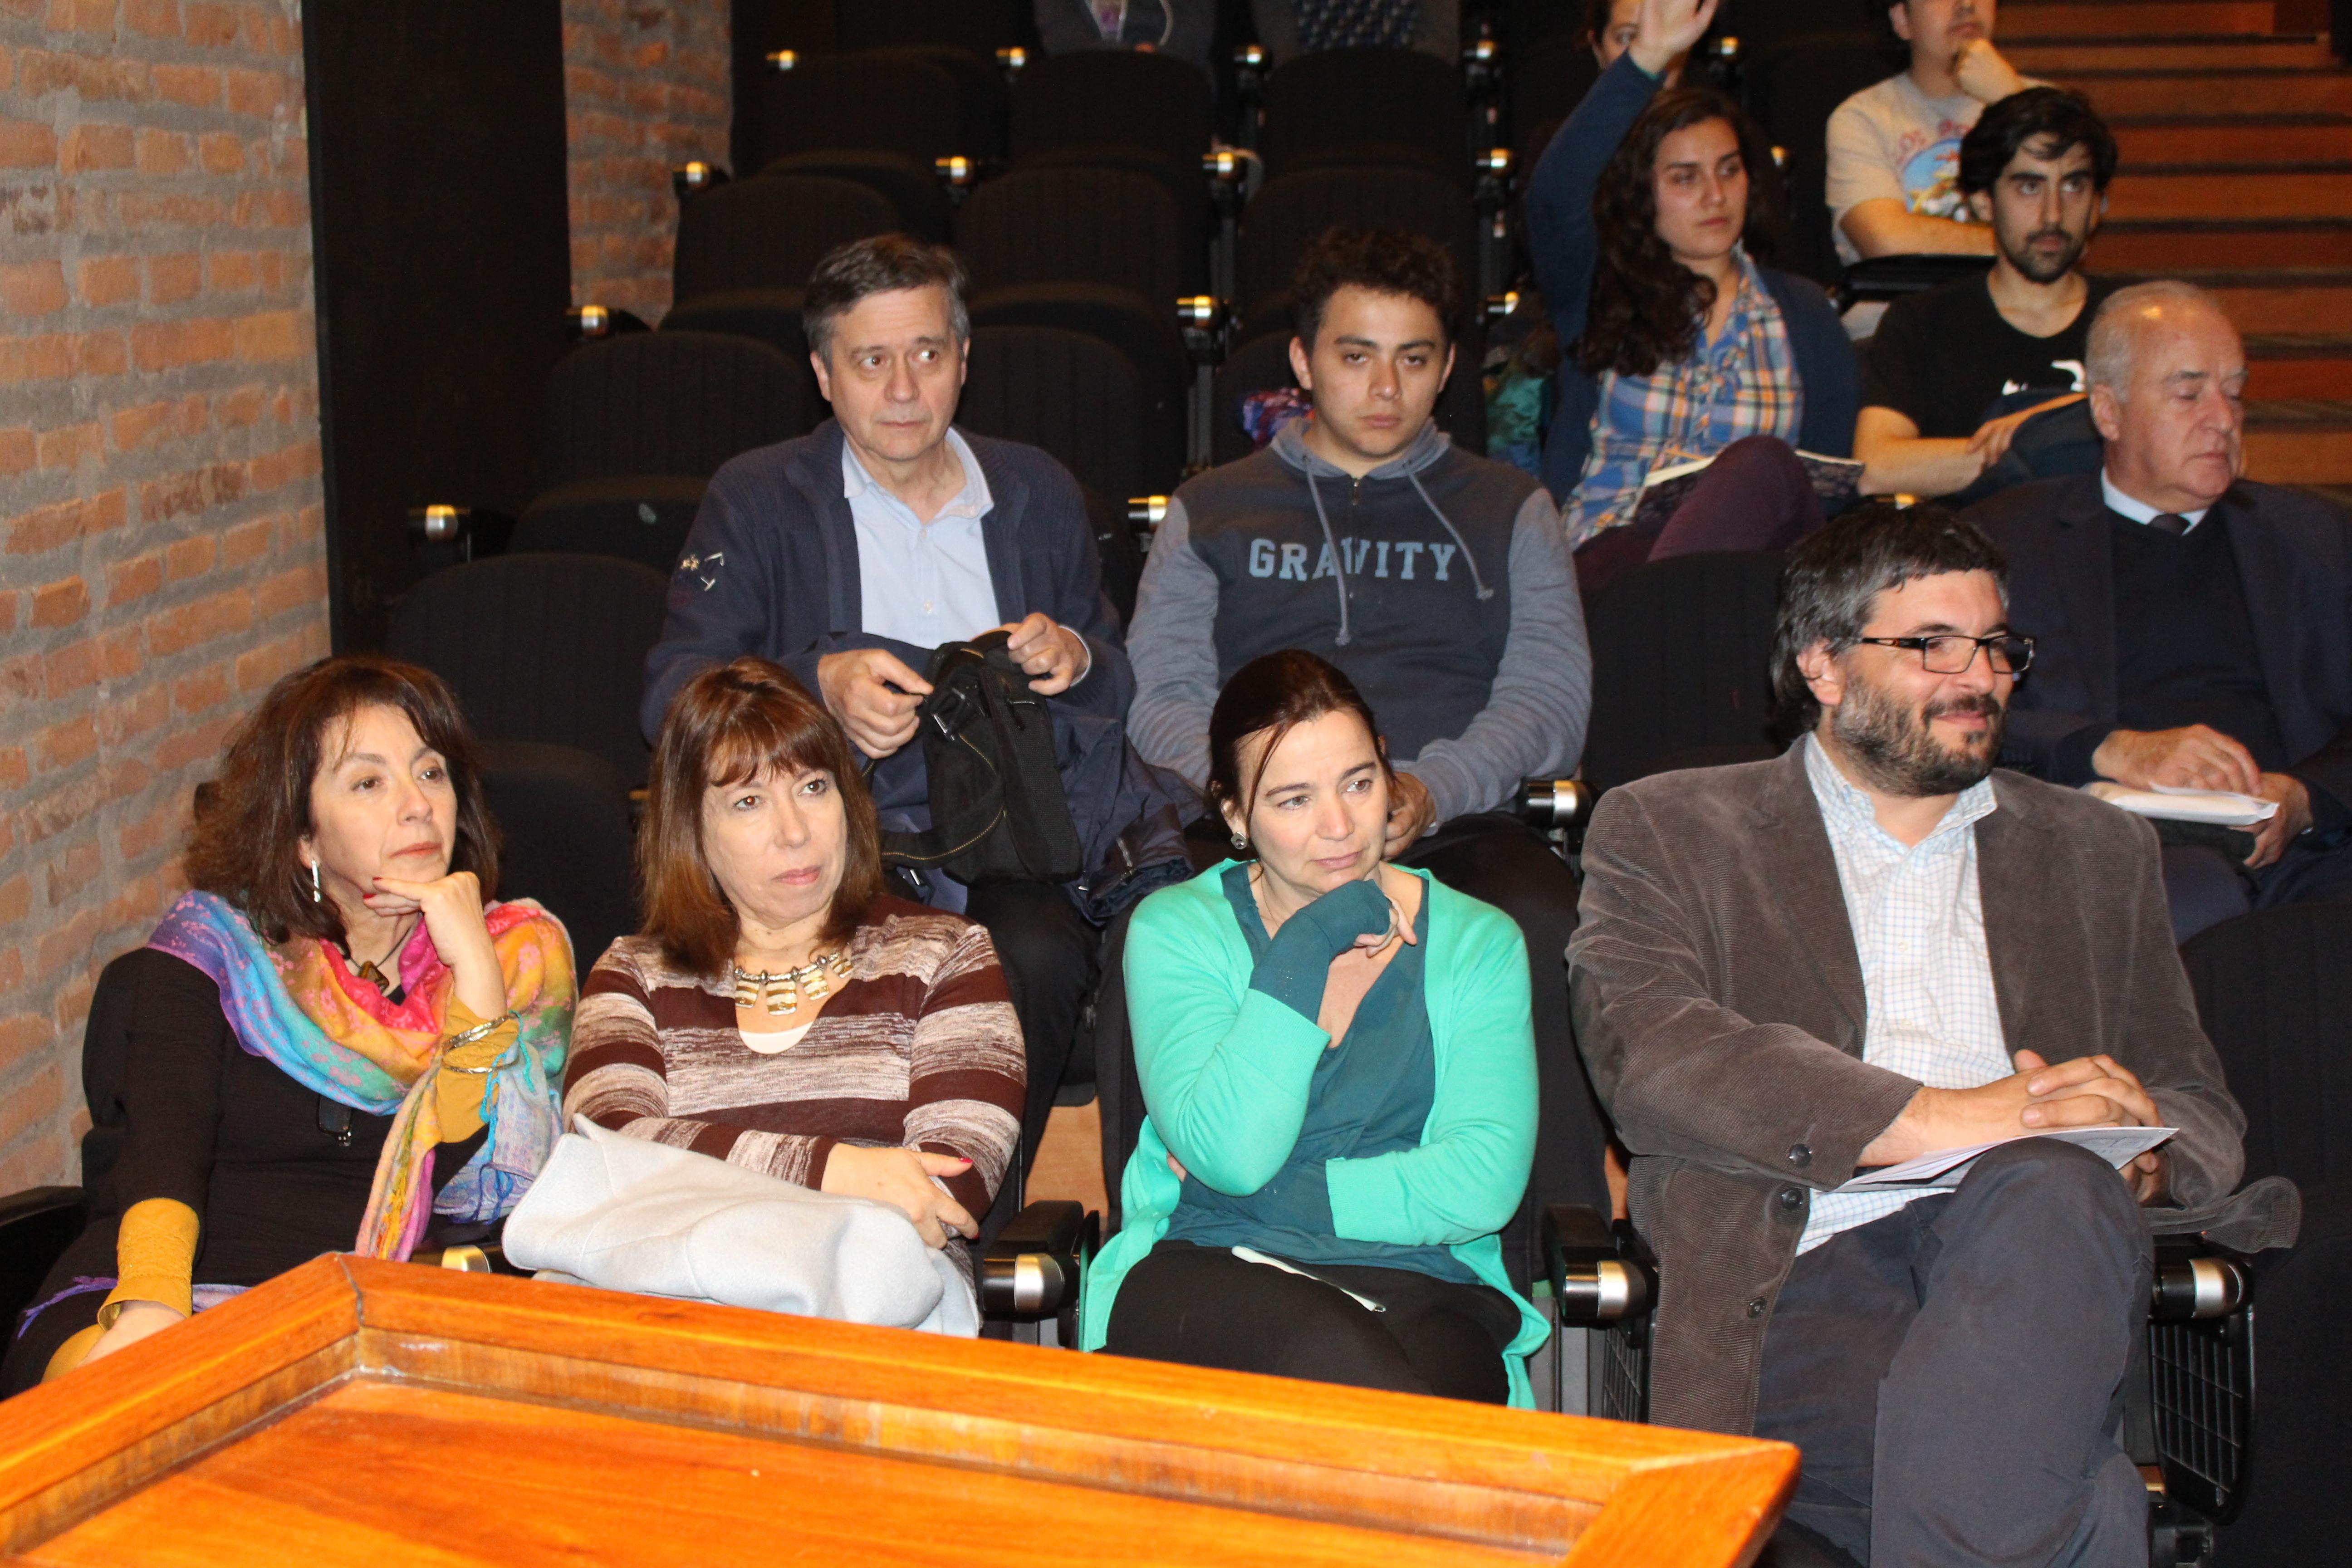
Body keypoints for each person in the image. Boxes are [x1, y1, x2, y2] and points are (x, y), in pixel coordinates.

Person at [1567, 502, 2283, 1565]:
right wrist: (1945, 1117)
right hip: (1803, 1257)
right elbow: (1652, 1053)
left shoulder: (2096, 849)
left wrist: (2139, 1146)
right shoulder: (1669, 827)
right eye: (1931, 646)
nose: (1978, 676)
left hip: (2044, 1263)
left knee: (2047, 1185)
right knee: (2070, 1497)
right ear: (1822, 665)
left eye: (1996, 646)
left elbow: (2198, 1107)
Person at [1126, 226, 1609, 1249]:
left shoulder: (1509, 506)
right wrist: (1266, 798)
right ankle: (1174, 1230)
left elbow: (1550, 699)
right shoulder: (1213, 508)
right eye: (1356, 356)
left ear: (1446, 370)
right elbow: (1161, 695)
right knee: (1160, 921)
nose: (1387, 387)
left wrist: (1424, 789)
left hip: (1445, 816)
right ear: (1303, 362)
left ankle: (1543, 1262)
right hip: (1261, 824)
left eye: (1416, 358)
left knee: (1542, 922)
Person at [640, 235, 1134, 1188]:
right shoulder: (757, 497)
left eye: (928, 355)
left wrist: (1077, 660)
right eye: (872, 361)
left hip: (1009, 837)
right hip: (833, 836)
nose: (905, 389)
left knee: (1027, 946)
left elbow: (1118, 685)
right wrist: (814, 687)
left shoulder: (1034, 491)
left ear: (963, 359)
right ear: (824, 375)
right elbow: (671, 693)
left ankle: (964, 1211)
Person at [3, 657, 574, 1395]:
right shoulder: (213, 950)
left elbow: (480, 1195)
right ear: (304, 837)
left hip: (371, 1319)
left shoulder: (516, 956)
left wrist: (475, 976)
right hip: (158, 1291)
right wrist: (151, 1318)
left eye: (430, 774)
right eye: (369, 782)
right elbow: (159, 1159)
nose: (415, 805)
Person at [1084, 651, 1547, 1403]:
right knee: (1362, 1389)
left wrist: (1281, 1195)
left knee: (1435, 1409)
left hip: (1421, 1278)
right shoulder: (1177, 930)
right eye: (1292, 800)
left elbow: (1480, 1184)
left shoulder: (1476, 941)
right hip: (1210, 1263)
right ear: (1234, 816)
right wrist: (1305, 947)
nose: (1337, 826)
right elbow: (1232, 1154)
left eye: (1358, 784)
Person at [566, 660, 1024, 1279]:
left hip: (872, 1320)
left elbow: (942, 1196)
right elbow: (611, 1156)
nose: (795, 832)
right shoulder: (633, 975)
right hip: (676, 1319)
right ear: (691, 830)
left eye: (813, 787)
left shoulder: (948, 954)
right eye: (749, 801)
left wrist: (702, 1179)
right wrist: (841, 1169)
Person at [1966, 281, 2352, 941]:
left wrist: (2306, 799)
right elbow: (1953, 705)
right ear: (2109, 412)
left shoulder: (2317, 537)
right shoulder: (2006, 541)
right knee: (2188, 905)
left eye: (2234, 392)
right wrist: (2109, 749)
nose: (2224, 420)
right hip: (2125, 849)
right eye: (2189, 393)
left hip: (2304, 851)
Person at [1525, 0, 1858, 595]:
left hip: (1752, 591)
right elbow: (1554, 195)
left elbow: (1827, 496)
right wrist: (1646, 60)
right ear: (1643, 194)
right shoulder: (1600, 290)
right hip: (1612, 571)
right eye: (1685, 178)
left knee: (1763, 469)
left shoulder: (1804, 314)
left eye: (1728, 171)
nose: (1714, 195)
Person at [1856, 87, 2116, 501]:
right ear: (1983, 202)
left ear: (2098, 202)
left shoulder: (2138, 317)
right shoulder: (1922, 321)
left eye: (2073, 187)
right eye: (2029, 188)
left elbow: (2206, 452)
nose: (2053, 214)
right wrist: (2062, 437)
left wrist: (2022, 431)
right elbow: (1877, 467)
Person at [1828, 0, 2033, 270]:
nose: (1967, 4)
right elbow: (1887, 243)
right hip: (1899, 306)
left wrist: (2013, 104)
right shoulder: (1863, 117)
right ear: (1902, 19)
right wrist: (2027, 244)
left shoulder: (2040, 104)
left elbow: (2072, 227)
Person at [1034, 0, 1216, 75]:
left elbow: (1194, 34)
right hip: (1086, 86)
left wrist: (1155, 57)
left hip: (1167, 80)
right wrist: (1129, 60)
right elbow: (1062, 37)